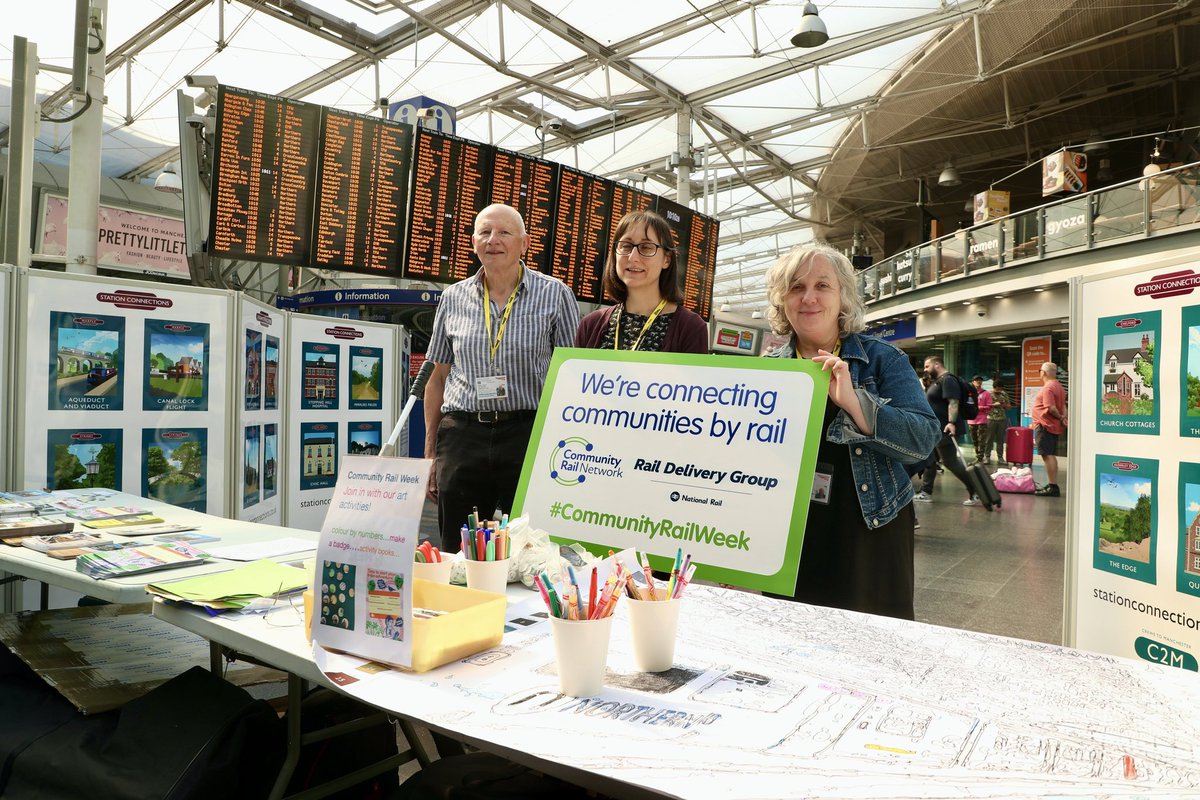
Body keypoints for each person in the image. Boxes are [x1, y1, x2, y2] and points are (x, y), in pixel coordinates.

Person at [761, 243, 940, 620]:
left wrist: (858, 404)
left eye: (822, 286)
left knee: (871, 640)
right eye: (796, 287)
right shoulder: (769, 371)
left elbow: (924, 440)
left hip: (870, 529)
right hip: (790, 535)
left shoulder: (883, 360)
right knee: (791, 634)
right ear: (782, 300)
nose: (808, 298)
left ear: (843, 296)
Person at [423, 204, 579, 553]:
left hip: (526, 435)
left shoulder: (555, 294)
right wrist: (430, 452)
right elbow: (437, 378)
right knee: (458, 549)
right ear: (473, 243)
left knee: (531, 549)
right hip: (462, 436)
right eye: (485, 232)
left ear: (525, 243)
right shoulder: (452, 298)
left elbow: (572, 377)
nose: (493, 240)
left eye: (504, 232)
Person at [575, 210, 708, 353]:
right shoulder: (590, 324)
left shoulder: (691, 327)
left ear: (667, 259)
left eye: (646, 247)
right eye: (626, 246)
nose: (633, 257)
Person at [914, 356, 982, 506]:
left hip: (945, 428)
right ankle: (926, 491)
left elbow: (953, 402)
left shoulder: (948, 380)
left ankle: (976, 489)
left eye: (927, 366)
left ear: (937, 365)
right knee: (929, 459)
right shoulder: (938, 381)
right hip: (935, 429)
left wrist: (951, 423)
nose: (925, 370)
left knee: (950, 462)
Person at [1031, 361, 1067, 497]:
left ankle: (1053, 486)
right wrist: (1063, 418)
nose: (1040, 373)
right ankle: (1052, 484)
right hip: (1051, 426)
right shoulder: (1059, 386)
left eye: (1040, 371)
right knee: (1050, 454)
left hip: (1045, 426)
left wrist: (1060, 417)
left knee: (1047, 455)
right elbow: (1063, 406)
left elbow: (1051, 408)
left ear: (1044, 372)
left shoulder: (1048, 388)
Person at [984, 377, 1012, 465]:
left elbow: (1009, 407)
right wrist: (993, 405)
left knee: (1000, 440)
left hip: (1002, 419)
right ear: (994, 387)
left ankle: (1000, 457)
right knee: (989, 439)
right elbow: (983, 406)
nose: (1000, 390)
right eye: (998, 389)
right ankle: (987, 457)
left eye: (1001, 389)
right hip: (990, 419)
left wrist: (1004, 405)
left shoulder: (1004, 394)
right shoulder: (988, 394)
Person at [968, 375, 992, 464]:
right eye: (976, 380)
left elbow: (989, 406)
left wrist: (979, 407)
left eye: (980, 380)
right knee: (974, 440)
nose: (978, 382)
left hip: (982, 420)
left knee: (981, 440)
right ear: (973, 382)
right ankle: (977, 456)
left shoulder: (986, 393)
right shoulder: (969, 393)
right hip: (971, 420)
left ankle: (980, 458)